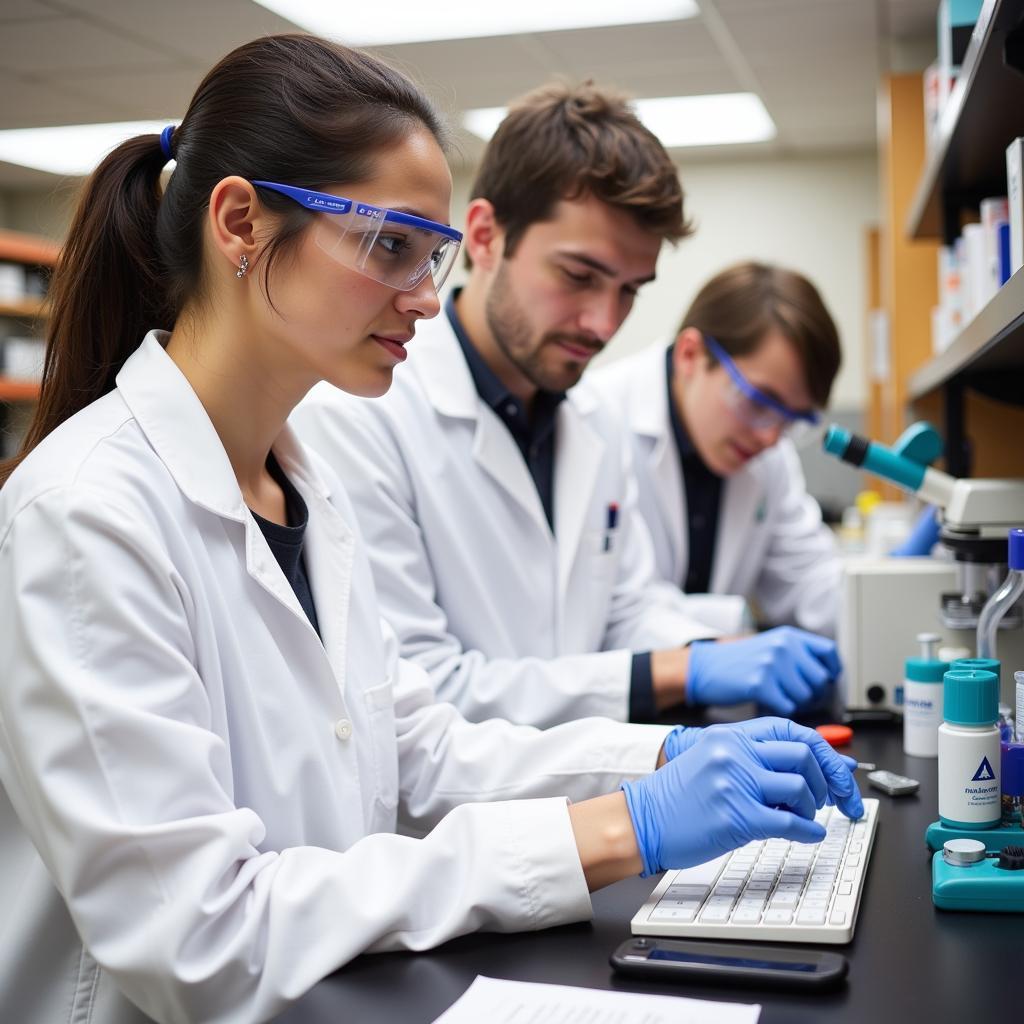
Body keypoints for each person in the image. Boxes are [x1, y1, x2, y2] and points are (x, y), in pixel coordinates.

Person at [0, 36, 862, 1024]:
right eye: (390, 246)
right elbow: (197, 935)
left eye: (432, 253)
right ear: (239, 221)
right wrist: (617, 830)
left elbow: (415, 751)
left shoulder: (299, 486)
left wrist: (655, 763)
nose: (423, 293)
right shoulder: (89, 514)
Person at [292, 83, 841, 727]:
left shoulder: (591, 417)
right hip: (449, 822)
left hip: (582, 798)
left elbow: (624, 607)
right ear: (486, 236)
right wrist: (679, 669)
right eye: (579, 277)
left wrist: (713, 649)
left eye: (630, 290)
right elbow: (415, 692)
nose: (604, 323)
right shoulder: (362, 414)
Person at [591, 262, 844, 646]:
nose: (771, 437)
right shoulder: (598, 417)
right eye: (758, 402)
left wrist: (874, 596)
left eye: (793, 419)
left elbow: (807, 578)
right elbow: (612, 605)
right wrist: (725, 633)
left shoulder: (770, 452)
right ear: (691, 355)